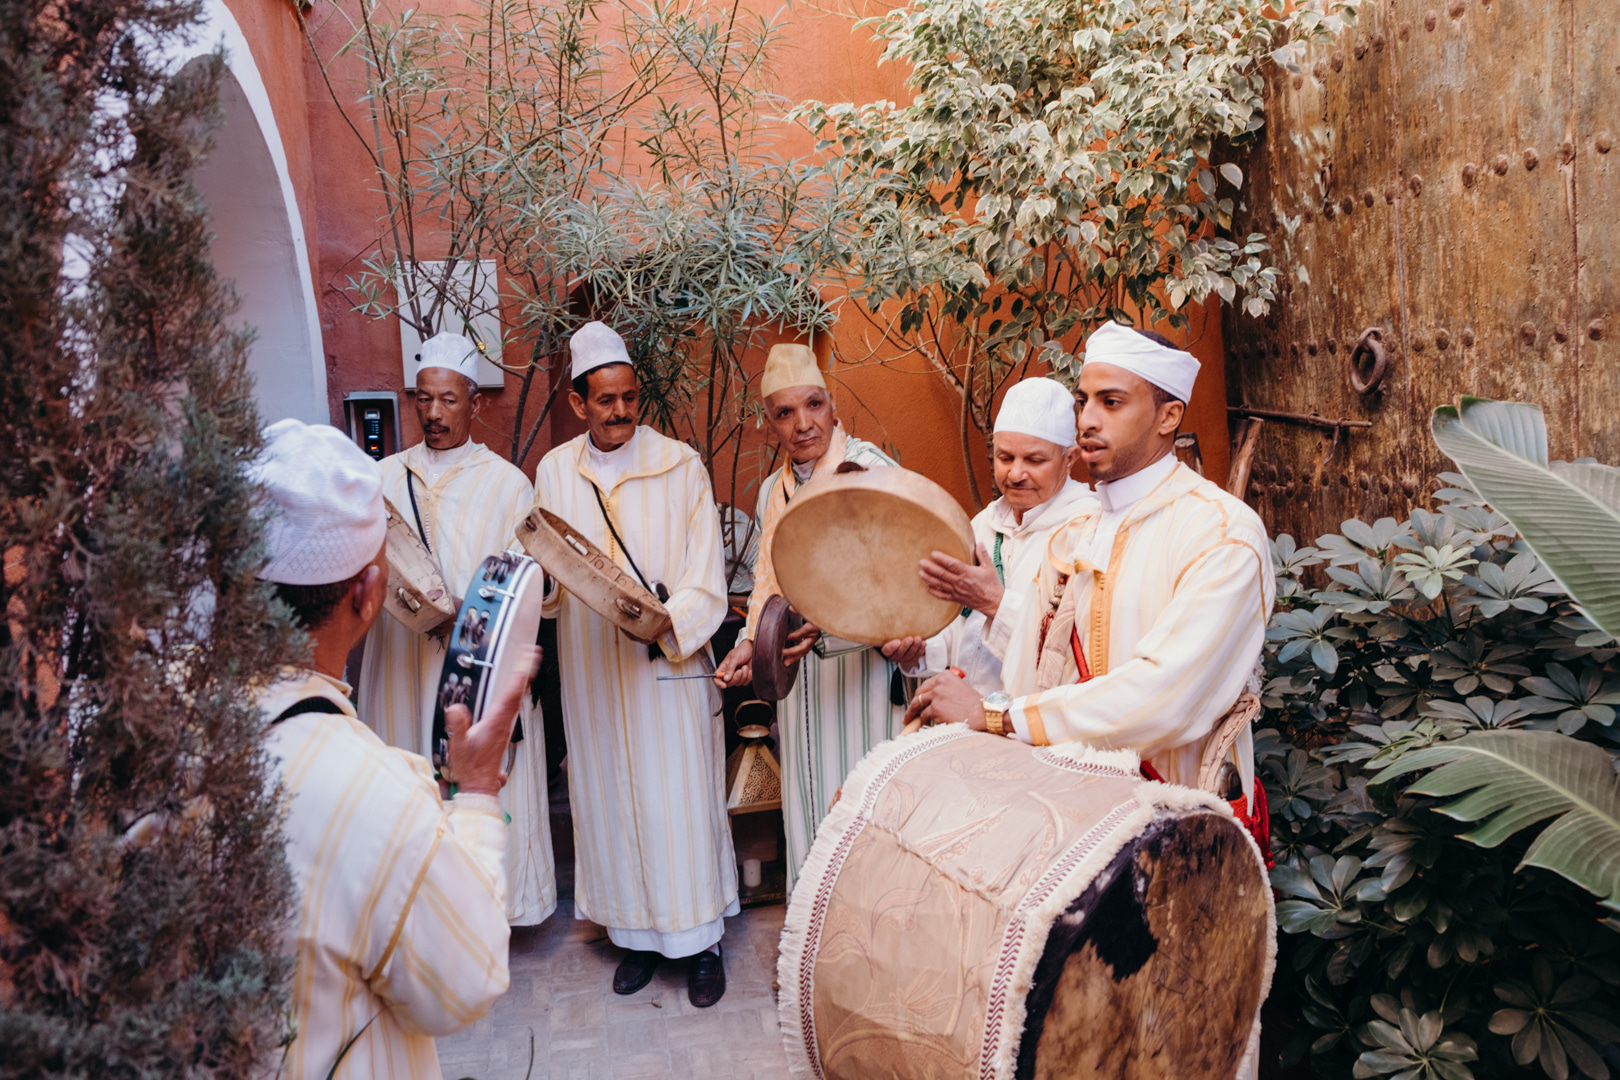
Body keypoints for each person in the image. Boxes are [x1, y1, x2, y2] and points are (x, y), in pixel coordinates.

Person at [906, 321, 1274, 827]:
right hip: (1069, 820)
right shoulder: (1075, 535)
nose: (1087, 421)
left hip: (1178, 832)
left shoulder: (1221, 533)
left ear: (1168, 416)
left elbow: (1163, 697)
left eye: (1112, 402)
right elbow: (1030, 673)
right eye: (1083, 402)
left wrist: (995, 714)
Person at [251, 419, 532, 1080]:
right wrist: (477, 794)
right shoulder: (374, 794)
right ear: (368, 592)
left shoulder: (152, 737)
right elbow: (465, 981)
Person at [534, 321, 735, 1007]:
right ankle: (635, 938)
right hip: (592, 673)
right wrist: (549, 587)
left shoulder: (680, 465)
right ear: (577, 402)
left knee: (678, 801)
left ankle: (701, 944)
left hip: (663, 668)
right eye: (605, 400)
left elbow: (705, 575)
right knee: (611, 800)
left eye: (629, 398)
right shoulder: (556, 472)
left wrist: (667, 625)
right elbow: (552, 575)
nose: (620, 411)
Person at [357, 331, 555, 928]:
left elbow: (527, 587)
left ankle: (490, 914)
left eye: (447, 400)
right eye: (424, 400)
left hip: (476, 666)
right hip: (399, 661)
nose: (434, 414)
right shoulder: (384, 477)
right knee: (409, 778)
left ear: (475, 401)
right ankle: (416, 915)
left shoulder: (507, 485)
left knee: (473, 783)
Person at [713, 343, 907, 887]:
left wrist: (831, 618)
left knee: (865, 818)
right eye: (785, 413)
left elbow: (909, 572)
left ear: (833, 405)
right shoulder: (775, 491)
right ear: (768, 423)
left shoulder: (871, 470)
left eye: (814, 405)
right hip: (799, 688)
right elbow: (767, 587)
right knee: (808, 814)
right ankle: (812, 951)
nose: (803, 424)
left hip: (861, 681)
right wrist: (751, 642)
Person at [894, 377, 1092, 696]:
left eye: (1034, 460)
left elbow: (1078, 659)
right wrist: (917, 650)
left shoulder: (1086, 531)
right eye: (1005, 458)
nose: (1015, 474)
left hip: (1029, 731)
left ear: (1070, 459)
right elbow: (957, 626)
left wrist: (995, 602)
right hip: (964, 722)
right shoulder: (983, 525)